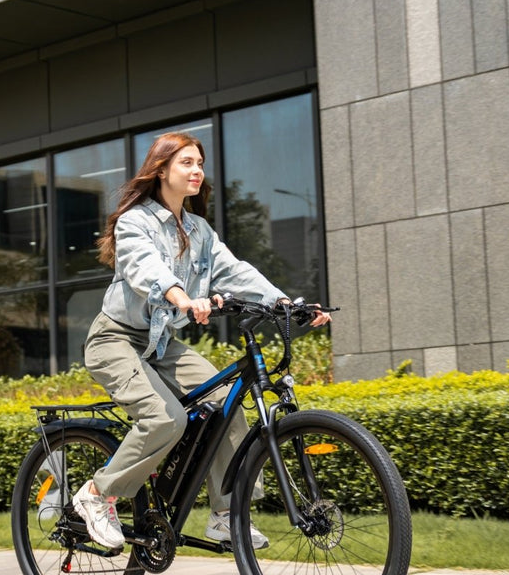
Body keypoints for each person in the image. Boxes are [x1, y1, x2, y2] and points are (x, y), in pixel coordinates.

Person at [72, 132, 330, 550]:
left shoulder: (199, 230)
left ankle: (226, 515)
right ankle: (98, 496)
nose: (197, 171)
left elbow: (236, 272)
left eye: (200, 163)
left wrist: (285, 303)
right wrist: (182, 297)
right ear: (161, 170)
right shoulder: (135, 221)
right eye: (187, 163)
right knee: (165, 419)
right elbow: (145, 268)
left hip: (160, 346)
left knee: (228, 403)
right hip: (116, 340)